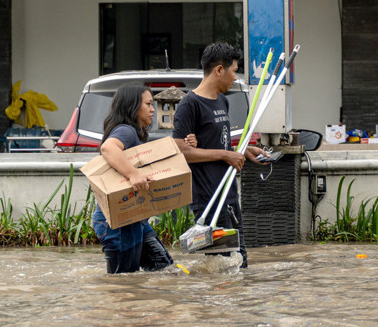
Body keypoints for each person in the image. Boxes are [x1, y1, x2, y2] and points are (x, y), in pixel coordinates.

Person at [172, 42, 267, 268]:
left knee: (239, 264)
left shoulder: (222, 101)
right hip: (208, 199)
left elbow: (217, 145)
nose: (236, 77)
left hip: (229, 195)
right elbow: (182, 151)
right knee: (223, 269)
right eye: (234, 70)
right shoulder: (190, 104)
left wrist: (241, 151)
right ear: (219, 70)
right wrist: (226, 155)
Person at [91, 82, 196, 274]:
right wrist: (133, 175)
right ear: (132, 106)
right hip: (117, 221)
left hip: (133, 218)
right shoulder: (126, 130)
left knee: (165, 270)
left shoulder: (136, 134)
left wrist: (188, 145)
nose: (152, 110)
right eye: (148, 104)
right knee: (122, 283)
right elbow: (108, 148)